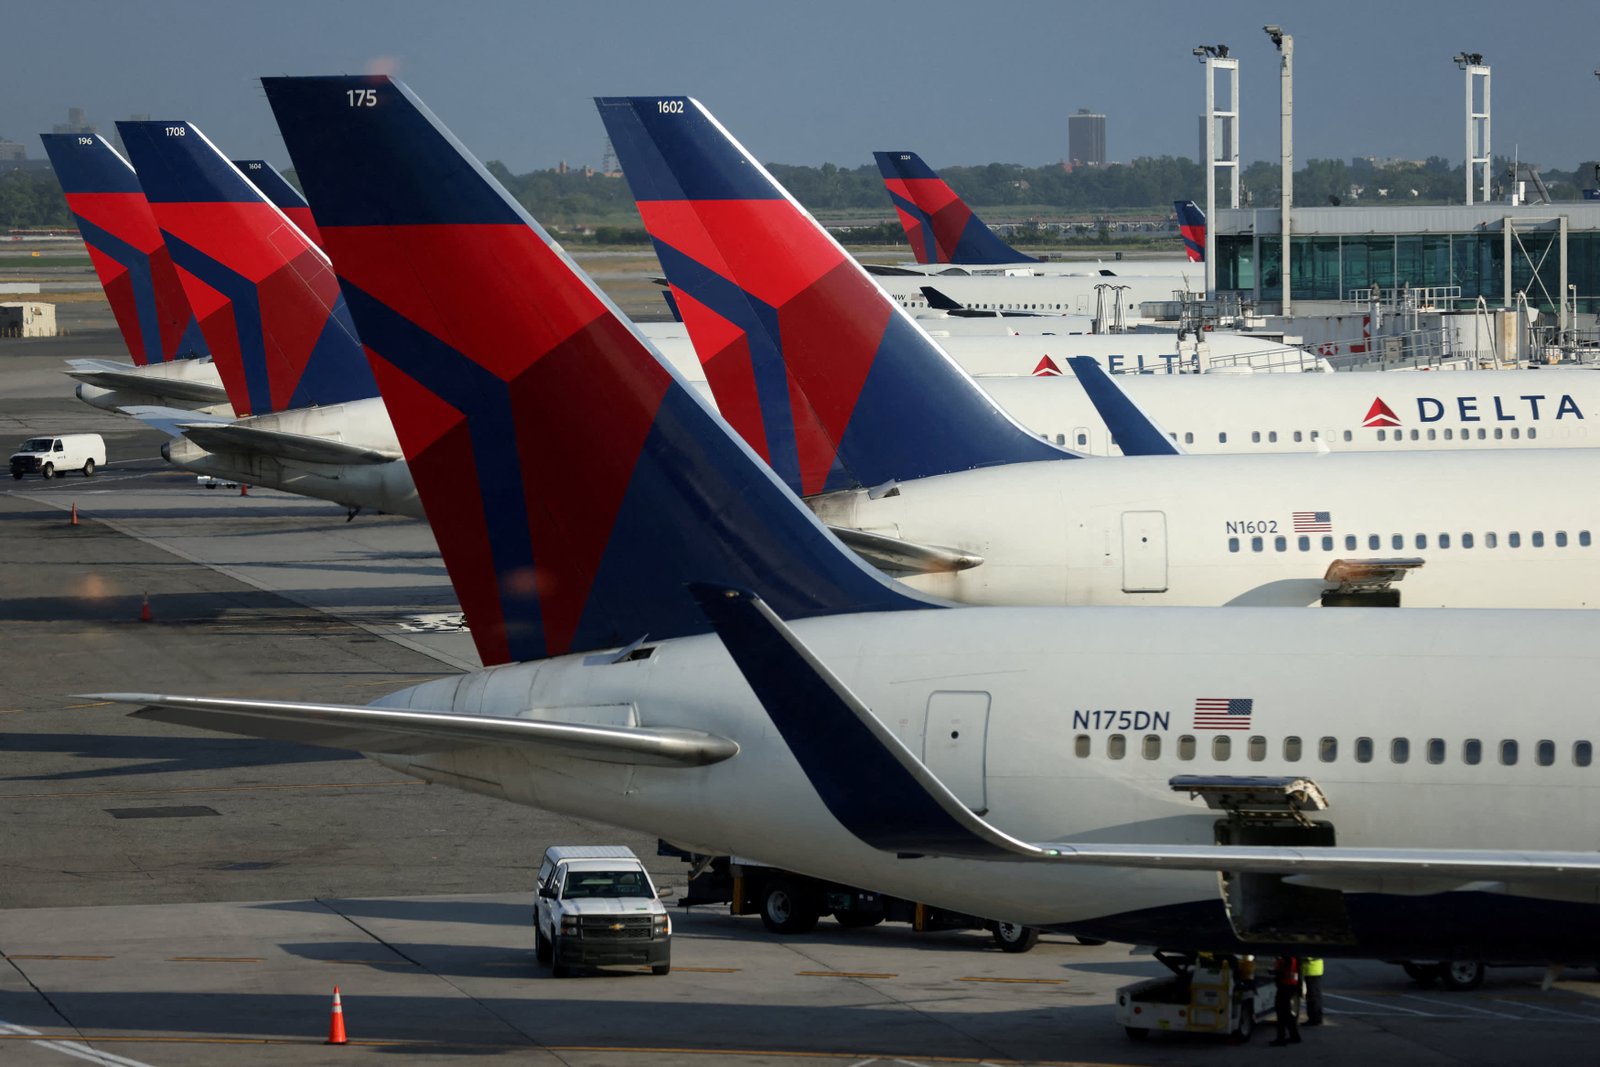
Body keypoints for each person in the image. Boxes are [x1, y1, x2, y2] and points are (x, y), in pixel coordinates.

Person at [1269, 955, 1302, 1046]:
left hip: (1285, 985)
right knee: (1286, 1013)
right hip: (1290, 985)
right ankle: (1294, 1036)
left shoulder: (1286, 957)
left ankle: (1281, 1038)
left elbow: (1283, 970)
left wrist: (1274, 972)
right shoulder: (1294, 956)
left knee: (1282, 1012)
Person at [1302, 956, 1324, 1025]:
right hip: (1313, 969)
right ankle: (1316, 1018)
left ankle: (1314, 1019)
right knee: (1315, 995)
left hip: (1312, 970)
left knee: (1312, 996)